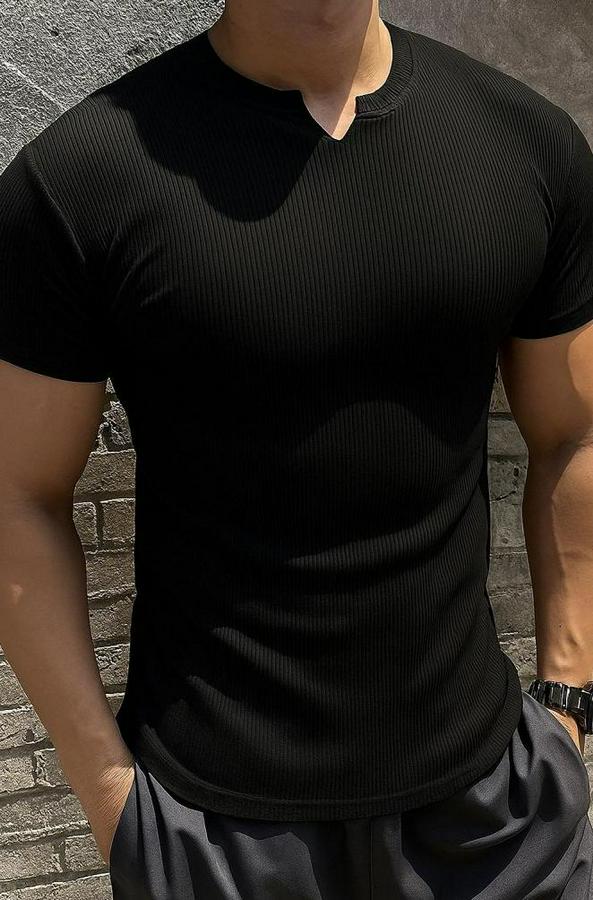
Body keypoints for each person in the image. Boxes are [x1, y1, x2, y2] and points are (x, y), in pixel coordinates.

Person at [0, 2, 592, 897]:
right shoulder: (78, 181)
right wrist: (114, 802)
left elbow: (573, 434)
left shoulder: (526, 144)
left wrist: (566, 707)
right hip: (214, 838)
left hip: (496, 826)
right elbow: (16, 494)